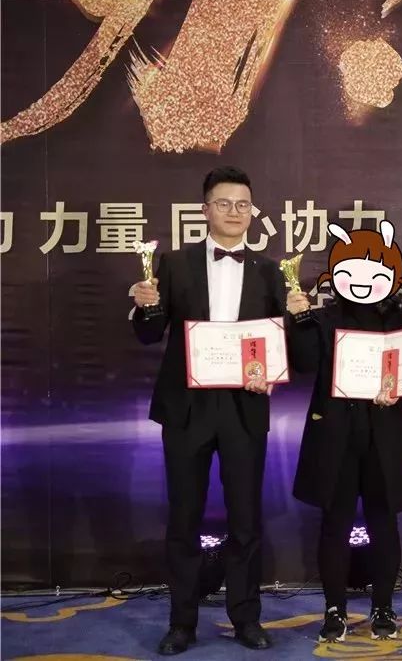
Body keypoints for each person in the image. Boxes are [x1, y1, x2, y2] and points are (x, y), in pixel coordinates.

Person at [131, 166, 284, 655]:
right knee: (184, 520)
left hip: (245, 407)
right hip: (186, 409)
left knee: (246, 520)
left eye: (243, 204)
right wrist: (145, 305)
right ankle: (182, 623)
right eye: (224, 203)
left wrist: (270, 369)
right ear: (205, 210)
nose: (234, 212)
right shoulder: (174, 264)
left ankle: (246, 618)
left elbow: (282, 343)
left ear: (252, 212)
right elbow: (149, 333)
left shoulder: (270, 270)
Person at [286, 219, 402, 643]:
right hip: (336, 435)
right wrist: (298, 320)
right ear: (335, 273)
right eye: (351, 272)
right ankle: (334, 609)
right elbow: (305, 365)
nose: (362, 283)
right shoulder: (323, 319)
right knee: (335, 522)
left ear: (393, 275)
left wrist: (400, 390)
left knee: (384, 522)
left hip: (386, 433)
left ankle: (383, 606)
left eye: (374, 273)